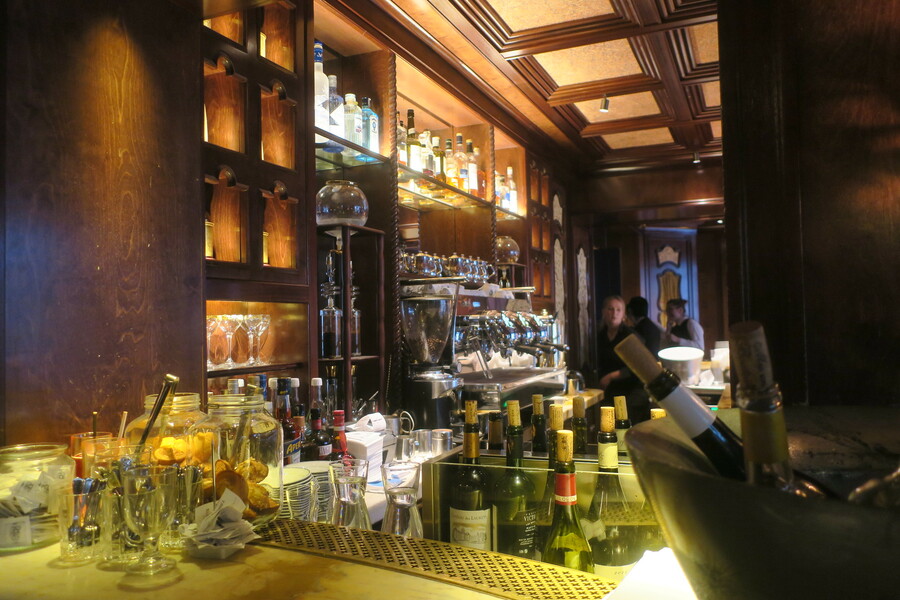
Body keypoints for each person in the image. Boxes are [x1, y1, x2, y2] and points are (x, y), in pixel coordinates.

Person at [597, 295, 651, 423]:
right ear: (603, 312)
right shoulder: (600, 336)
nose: (614, 313)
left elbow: (640, 366)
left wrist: (611, 376)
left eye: (618, 310)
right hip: (611, 391)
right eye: (610, 309)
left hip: (632, 392)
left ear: (623, 314)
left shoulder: (630, 336)